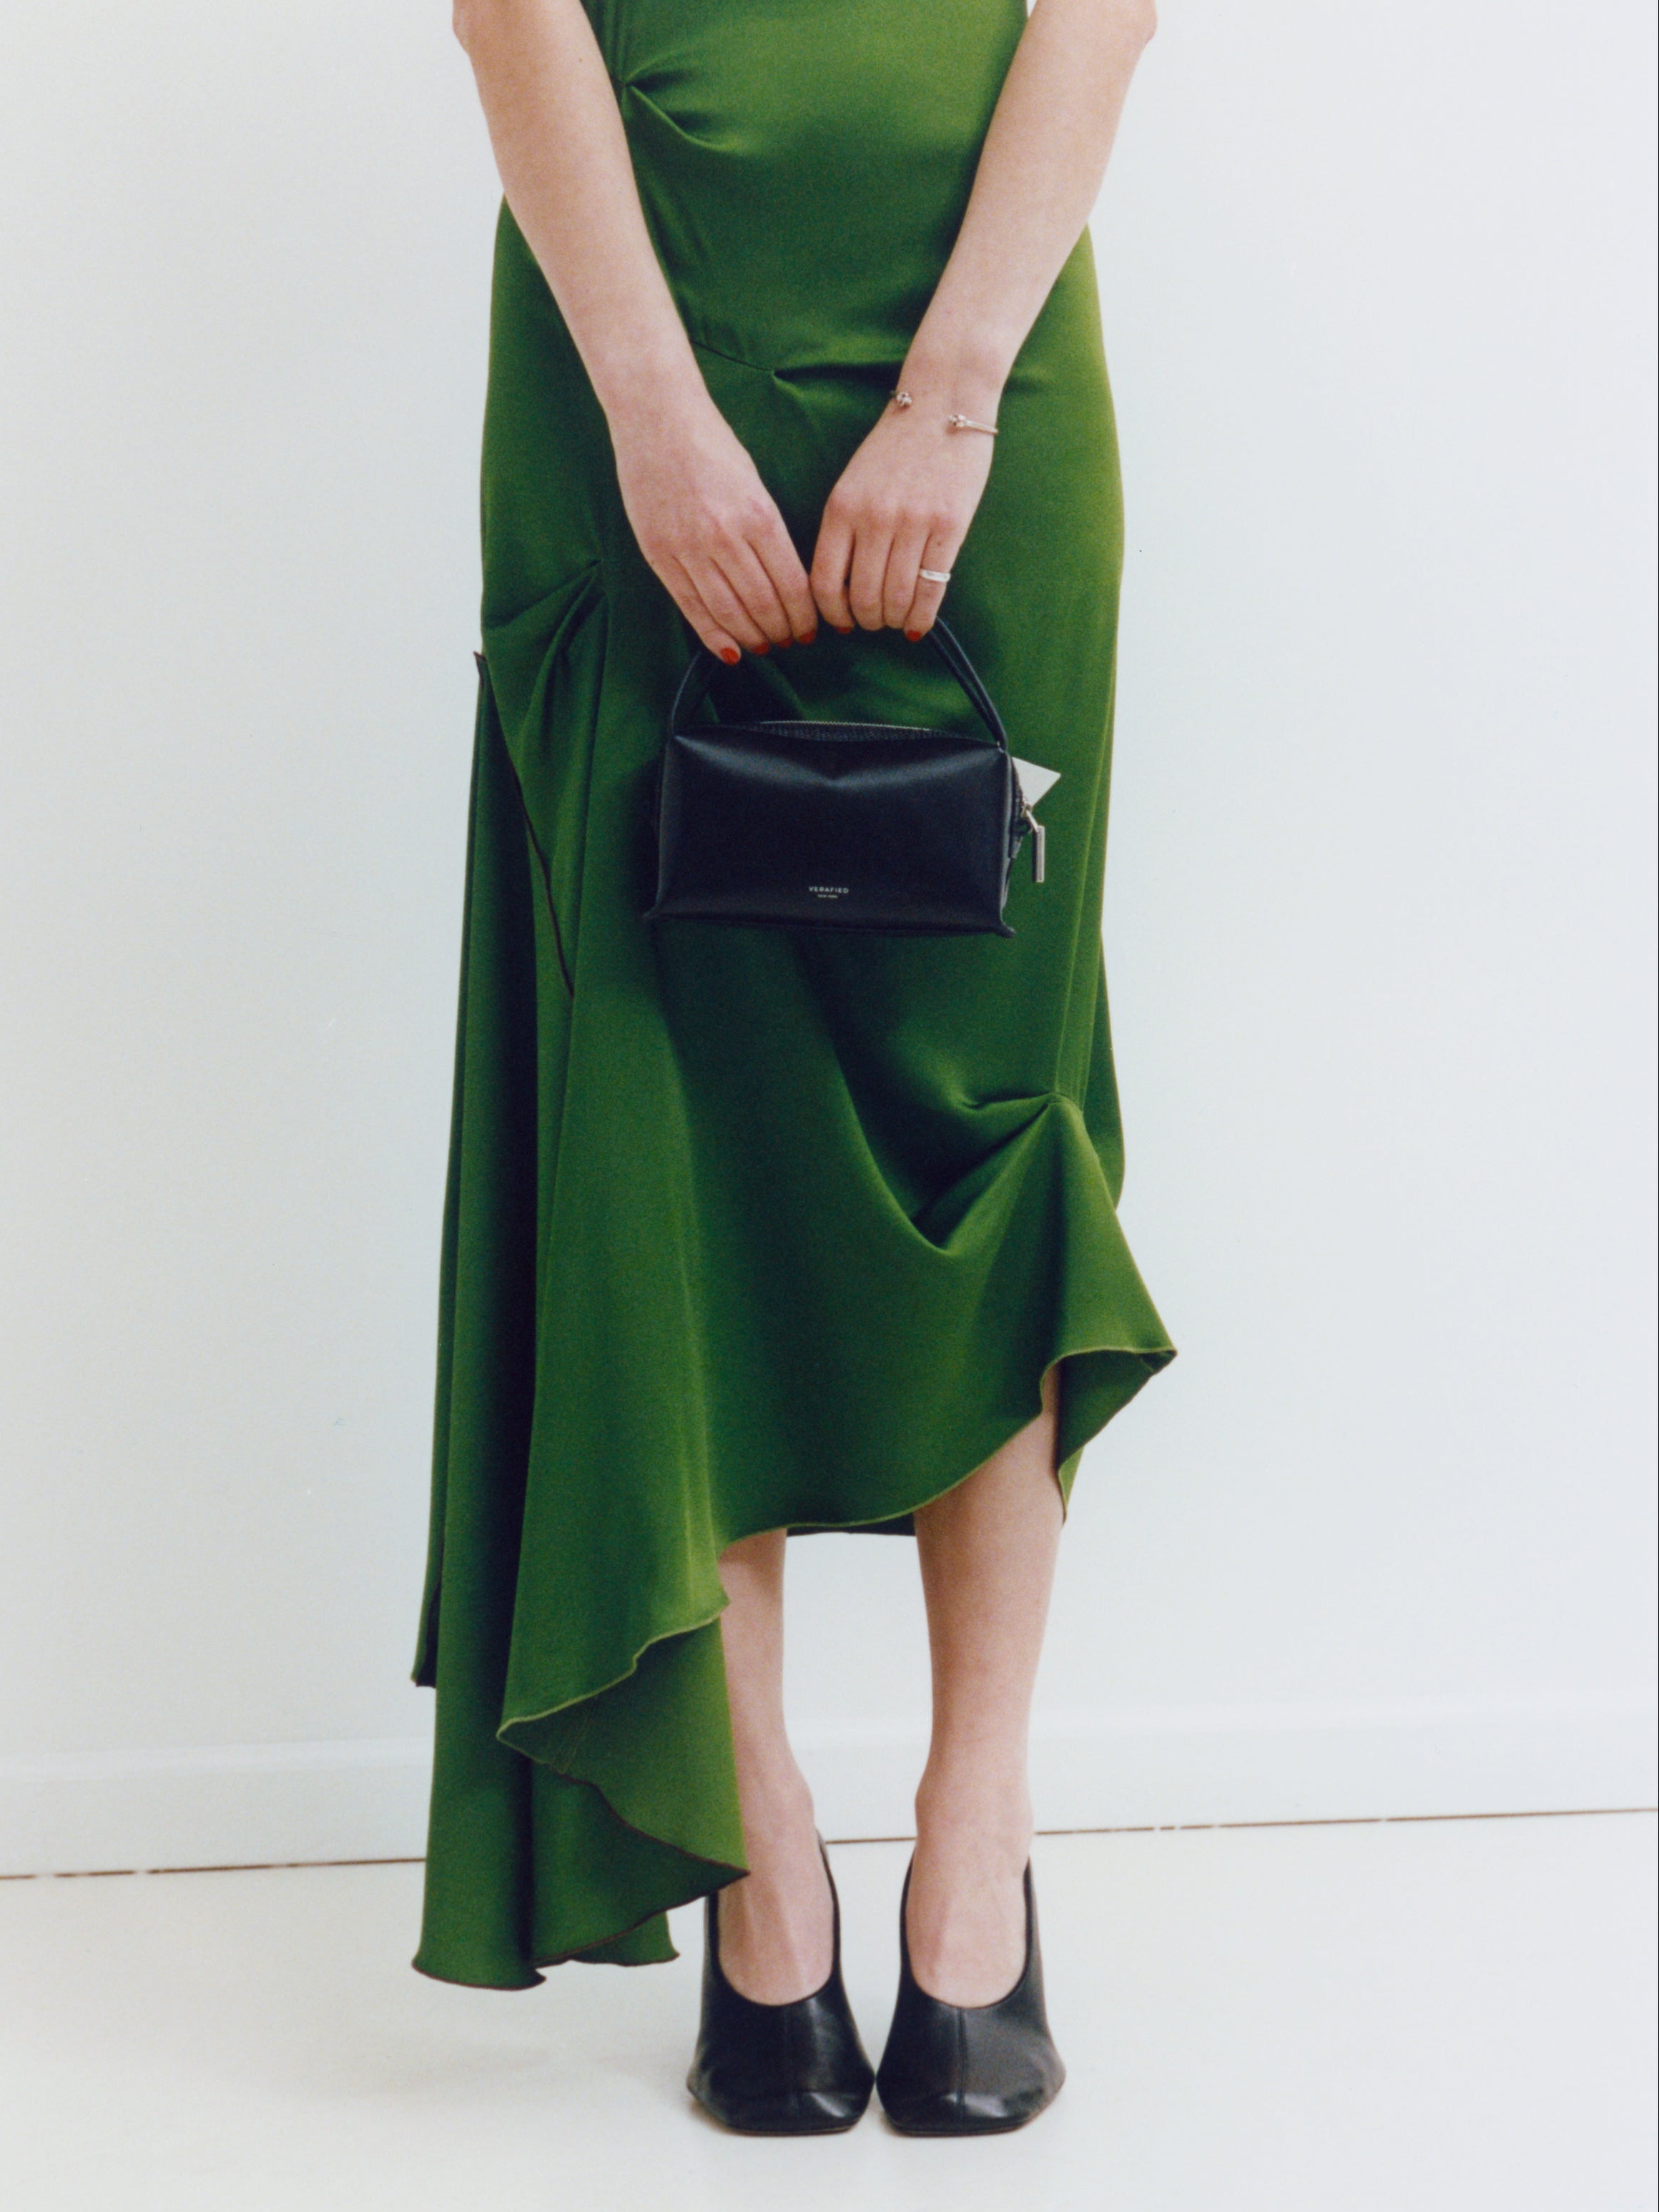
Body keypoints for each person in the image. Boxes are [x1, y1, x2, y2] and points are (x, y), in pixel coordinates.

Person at [413, 0, 1173, 2136]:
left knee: (988, 1101)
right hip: (640, 354)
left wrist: (952, 397)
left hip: (986, 367)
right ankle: (760, 1858)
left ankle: (979, 1835)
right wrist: (648, 412)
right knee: (671, 1123)